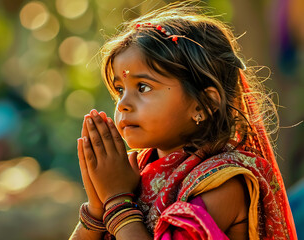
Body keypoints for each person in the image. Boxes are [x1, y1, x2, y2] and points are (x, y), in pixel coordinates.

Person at [69, 1, 298, 240]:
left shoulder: (222, 182)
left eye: (143, 87)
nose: (123, 104)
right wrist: (97, 208)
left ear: (203, 104)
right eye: (119, 89)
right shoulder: (135, 171)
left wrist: (117, 202)